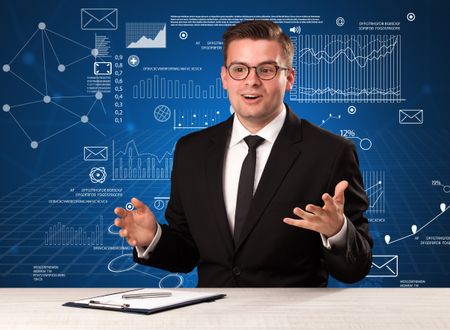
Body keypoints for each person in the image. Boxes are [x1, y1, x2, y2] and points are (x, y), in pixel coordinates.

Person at [114, 20, 373, 287]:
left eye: (266, 70)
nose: (251, 81)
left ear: (289, 78)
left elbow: (356, 269)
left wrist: (337, 231)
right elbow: (187, 254)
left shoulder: (331, 153)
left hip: (291, 322)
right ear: (225, 77)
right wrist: (152, 238)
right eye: (239, 69)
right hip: (212, 318)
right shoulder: (191, 151)